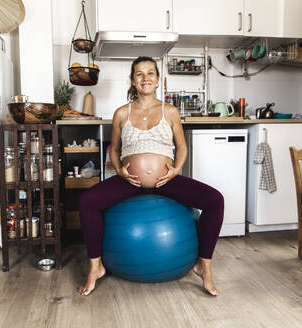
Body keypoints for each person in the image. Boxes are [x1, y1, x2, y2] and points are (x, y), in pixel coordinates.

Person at [78, 56, 224, 296]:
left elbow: (182, 146)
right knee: (87, 202)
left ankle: (204, 265)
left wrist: (177, 169)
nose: (145, 78)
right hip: (130, 182)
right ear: (133, 81)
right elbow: (114, 149)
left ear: (157, 80)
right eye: (139, 74)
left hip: (167, 181)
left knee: (215, 200)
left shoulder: (171, 111)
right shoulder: (121, 114)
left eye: (150, 73)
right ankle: (96, 267)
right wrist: (120, 170)